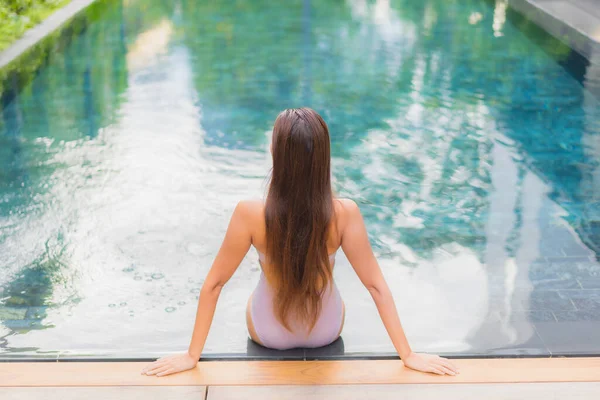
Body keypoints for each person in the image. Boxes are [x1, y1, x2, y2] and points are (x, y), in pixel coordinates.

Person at [141, 108, 459, 377]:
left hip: (268, 333)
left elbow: (214, 284)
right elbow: (375, 286)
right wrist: (408, 355)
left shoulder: (249, 213)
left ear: (275, 152)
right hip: (326, 331)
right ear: (324, 157)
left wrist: (191, 356)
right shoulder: (345, 212)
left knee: (257, 287)